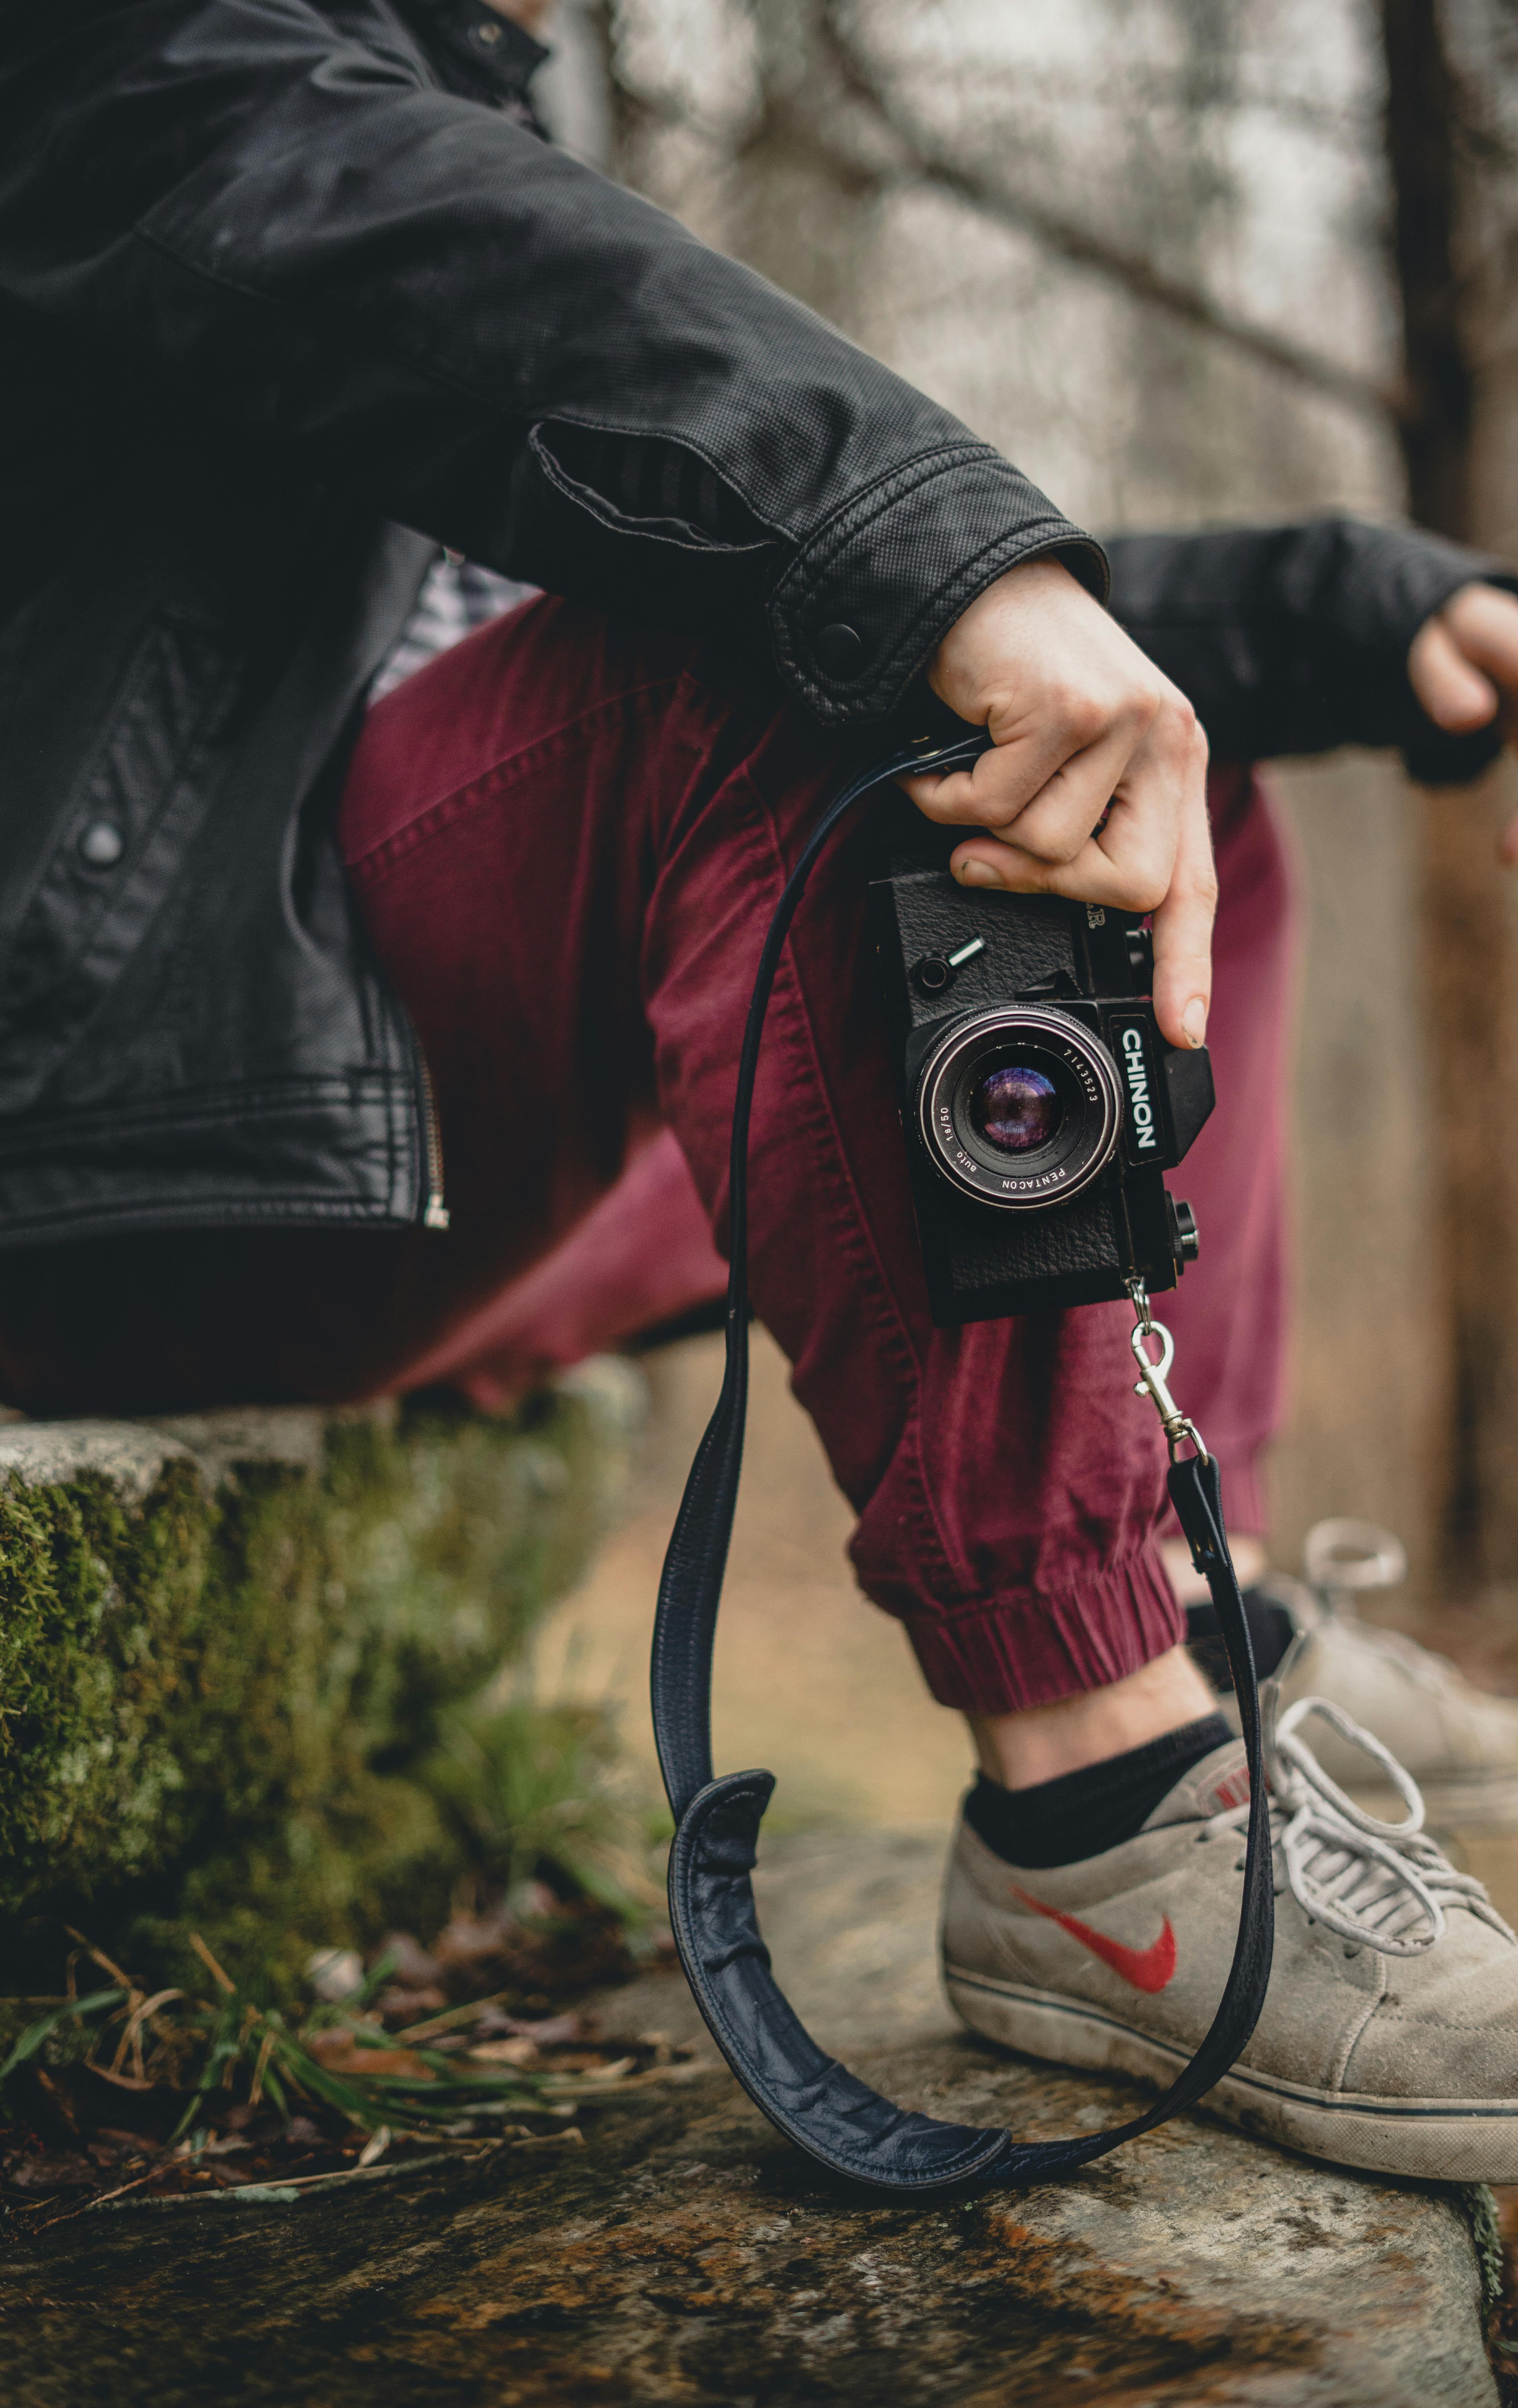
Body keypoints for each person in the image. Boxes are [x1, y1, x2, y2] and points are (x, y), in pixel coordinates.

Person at [6, 0, 1518, 2181]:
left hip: (407, 1131)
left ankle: (1200, 1606)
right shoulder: (138, 44)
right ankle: (1097, 1807)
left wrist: (1367, 612)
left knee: (1119, 757)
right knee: (850, 632)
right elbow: (408, 247)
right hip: (110, 1145)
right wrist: (938, 563)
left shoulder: (454, 96)